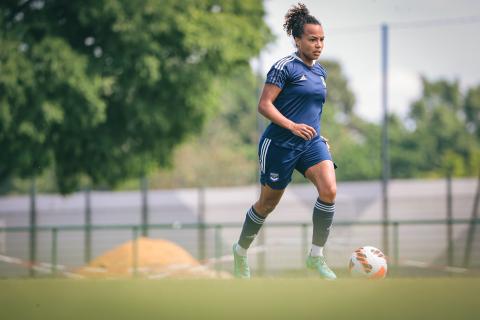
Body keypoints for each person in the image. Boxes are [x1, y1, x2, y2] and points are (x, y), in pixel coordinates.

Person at [232, 3, 337, 280]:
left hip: (310, 143)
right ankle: (240, 251)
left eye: (322, 39)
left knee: (329, 190)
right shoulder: (284, 67)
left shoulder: (321, 73)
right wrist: (292, 126)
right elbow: (264, 105)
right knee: (266, 204)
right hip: (279, 145)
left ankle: (316, 257)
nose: (318, 45)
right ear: (297, 39)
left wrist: (317, 132)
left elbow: (312, 109)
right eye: (312, 39)